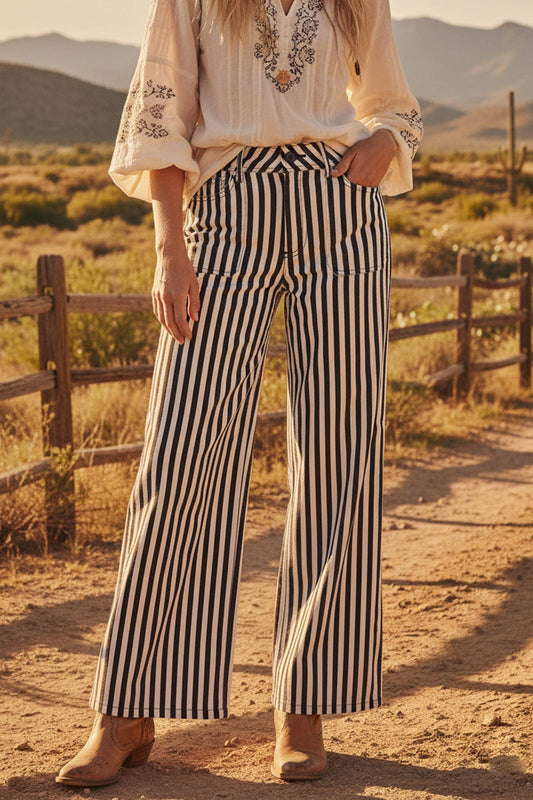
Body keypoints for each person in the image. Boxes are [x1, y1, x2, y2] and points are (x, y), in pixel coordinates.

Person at [56, 0, 422, 787]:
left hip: (342, 216)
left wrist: (385, 140)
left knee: (337, 459)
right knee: (179, 455)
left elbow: (392, 101)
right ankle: (125, 709)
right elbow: (161, 115)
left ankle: (305, 702)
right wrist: (169, 251)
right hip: (224, 215)